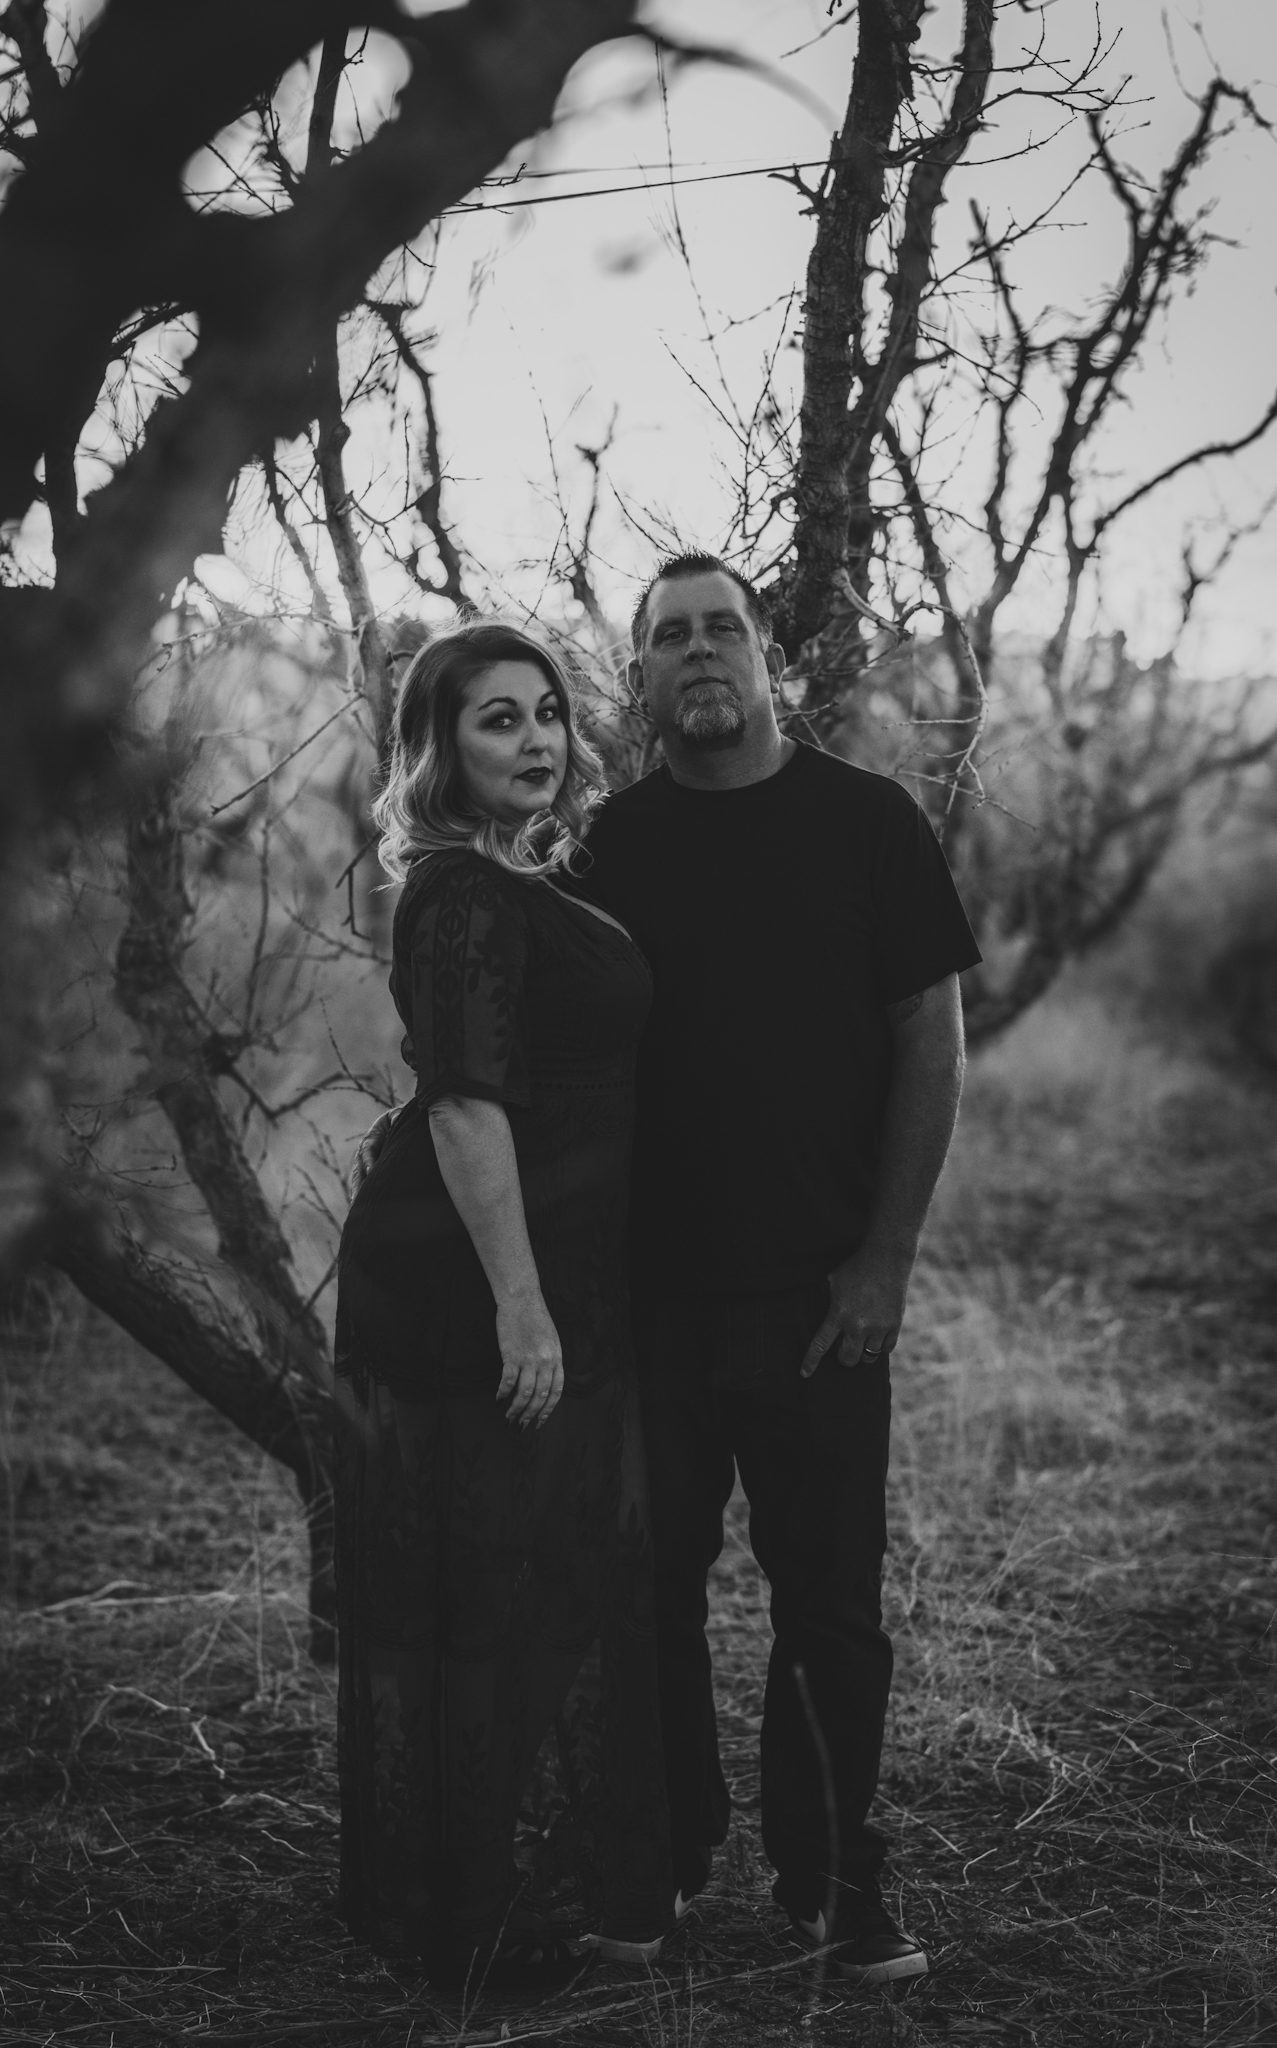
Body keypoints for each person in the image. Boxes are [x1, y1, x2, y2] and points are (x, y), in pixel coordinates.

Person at [570, 554, 983, 1989]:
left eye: (723, 630)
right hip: (647, 1304)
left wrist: (883, 1259)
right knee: (646, 1599)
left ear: (773, 663)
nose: (699, 653)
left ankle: (832, 1883)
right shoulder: (604, 848)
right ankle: (661, 1862)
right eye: (668, 637)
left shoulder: (868, 824)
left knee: (829, 1612)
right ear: (640, 677)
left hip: (820, 1300)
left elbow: (929, 1041)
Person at [333, 621, 674, 1995]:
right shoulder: (462, 892)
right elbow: (467, 1107)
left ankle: (536, 1886)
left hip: (556, 1270)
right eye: (497, 720)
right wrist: (521, 1310)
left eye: (545, 713)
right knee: (490, 1591)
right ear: (438, 749)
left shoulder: (516, 876)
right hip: (475, 1286)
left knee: (550, 1579)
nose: (535, 740)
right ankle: (466, 1913)